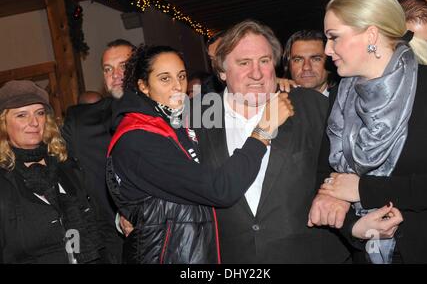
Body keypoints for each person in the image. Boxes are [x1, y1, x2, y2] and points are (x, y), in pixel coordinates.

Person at [106, 45, 293, 264]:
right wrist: (263, 131)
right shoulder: (138, 139)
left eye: (181, 76)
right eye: (165, 79)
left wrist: (274, 82)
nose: (177, 86)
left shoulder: (174, 119)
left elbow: (216, 102)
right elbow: (220, 189)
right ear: (144, 86)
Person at [309, 0, 427, 264]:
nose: (326, 50)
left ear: (371, 35)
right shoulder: (339, 96)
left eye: (333, 37)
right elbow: (327, 178)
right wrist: (355, 228)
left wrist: (364, 190)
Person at [195, 20, 351, 263]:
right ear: (222, 71)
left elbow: (349, 162)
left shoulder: (311, 106)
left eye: (264, 61)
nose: (256, 73)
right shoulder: (198, 116)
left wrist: (336, 193)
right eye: (244, 63)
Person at [0, 80, 102, 263]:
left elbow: (83, 225)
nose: (34, 122)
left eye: (39, 113)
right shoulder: (4, 180)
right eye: (22, 115)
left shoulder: (64, 164)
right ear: (3, 123)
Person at [62, 39, 135, 263]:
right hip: (115, 248)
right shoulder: (82, 123)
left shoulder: (171, 117)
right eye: (107, 69)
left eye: (124, 66)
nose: (116, 75)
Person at [282, 30, 335, 97]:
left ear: (329, 63)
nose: (306, 67)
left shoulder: (348, 101)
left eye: (316, 59)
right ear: (288, 65)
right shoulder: (275, 101)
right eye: (298, 60)